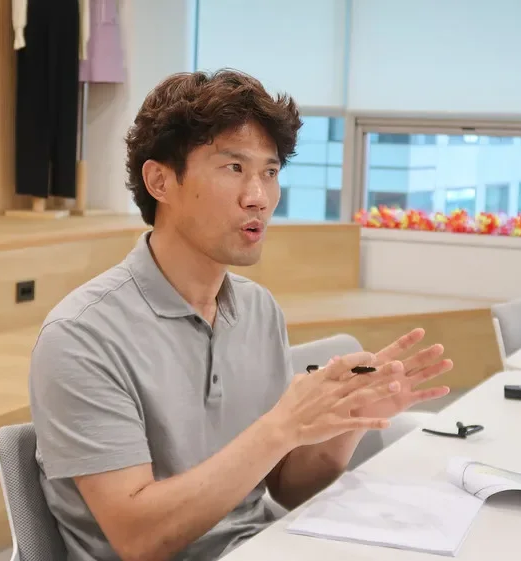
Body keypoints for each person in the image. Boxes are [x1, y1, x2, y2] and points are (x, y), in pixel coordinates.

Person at [28, 69, 453, 561]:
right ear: (160, 181)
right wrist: (280, 428)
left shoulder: (257, 309)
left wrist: (348, 420)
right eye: (234, 167)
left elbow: (287, 488)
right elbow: (140, 538)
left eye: (270, 173)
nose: (259, 197)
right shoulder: (81, 336)